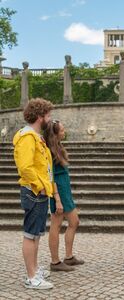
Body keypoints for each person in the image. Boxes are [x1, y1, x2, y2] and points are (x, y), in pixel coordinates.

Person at [13, 98, 54, 289]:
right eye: (48, 115)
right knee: (30, 235)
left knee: (36, 234)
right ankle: (31, 277)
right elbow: (25, 167)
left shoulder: (36, 136)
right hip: (34, 192)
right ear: (40, 117)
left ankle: (35, 269)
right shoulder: (27, 137)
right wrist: (41, 186)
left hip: (39, 191)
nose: (50, 119)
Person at [43, 120, 84, 272]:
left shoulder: (58, 147)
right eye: (61, 130)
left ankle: (69, 257)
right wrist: (57, 199)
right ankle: (55, 262)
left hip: (65, 191)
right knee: (56, 224)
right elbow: (51, 176)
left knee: (74, 221)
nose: (64, 131)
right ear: (55, 134)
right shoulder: (49, 151)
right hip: (57, 192)